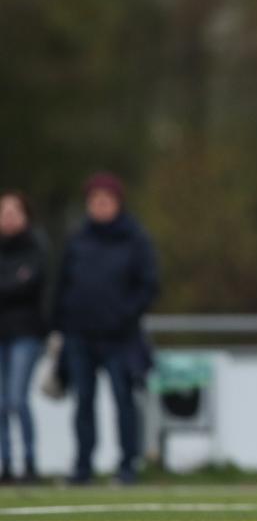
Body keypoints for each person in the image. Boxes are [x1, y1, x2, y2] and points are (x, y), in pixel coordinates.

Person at [54, 173, 159, 484]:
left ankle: (128, 465)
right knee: (83, 402)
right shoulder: (77, 239)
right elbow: (62, 285)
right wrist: (60, 324)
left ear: (117, 203)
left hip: (121, 337)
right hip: (79, 335)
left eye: (105, 200)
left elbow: (148, 286)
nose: (99, 206)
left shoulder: (136, 239)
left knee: (124, 402)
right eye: (94, 201)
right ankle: (82, 467)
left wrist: (124, 315)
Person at [0, 191, 47, 483]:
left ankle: (29, 462)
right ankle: (5, 463)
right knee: (1, 402)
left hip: (26, 333)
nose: (7, 217)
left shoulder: (36, 247)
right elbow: (17, 285)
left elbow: (30, 285)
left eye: (13, 211)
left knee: (18, 399)